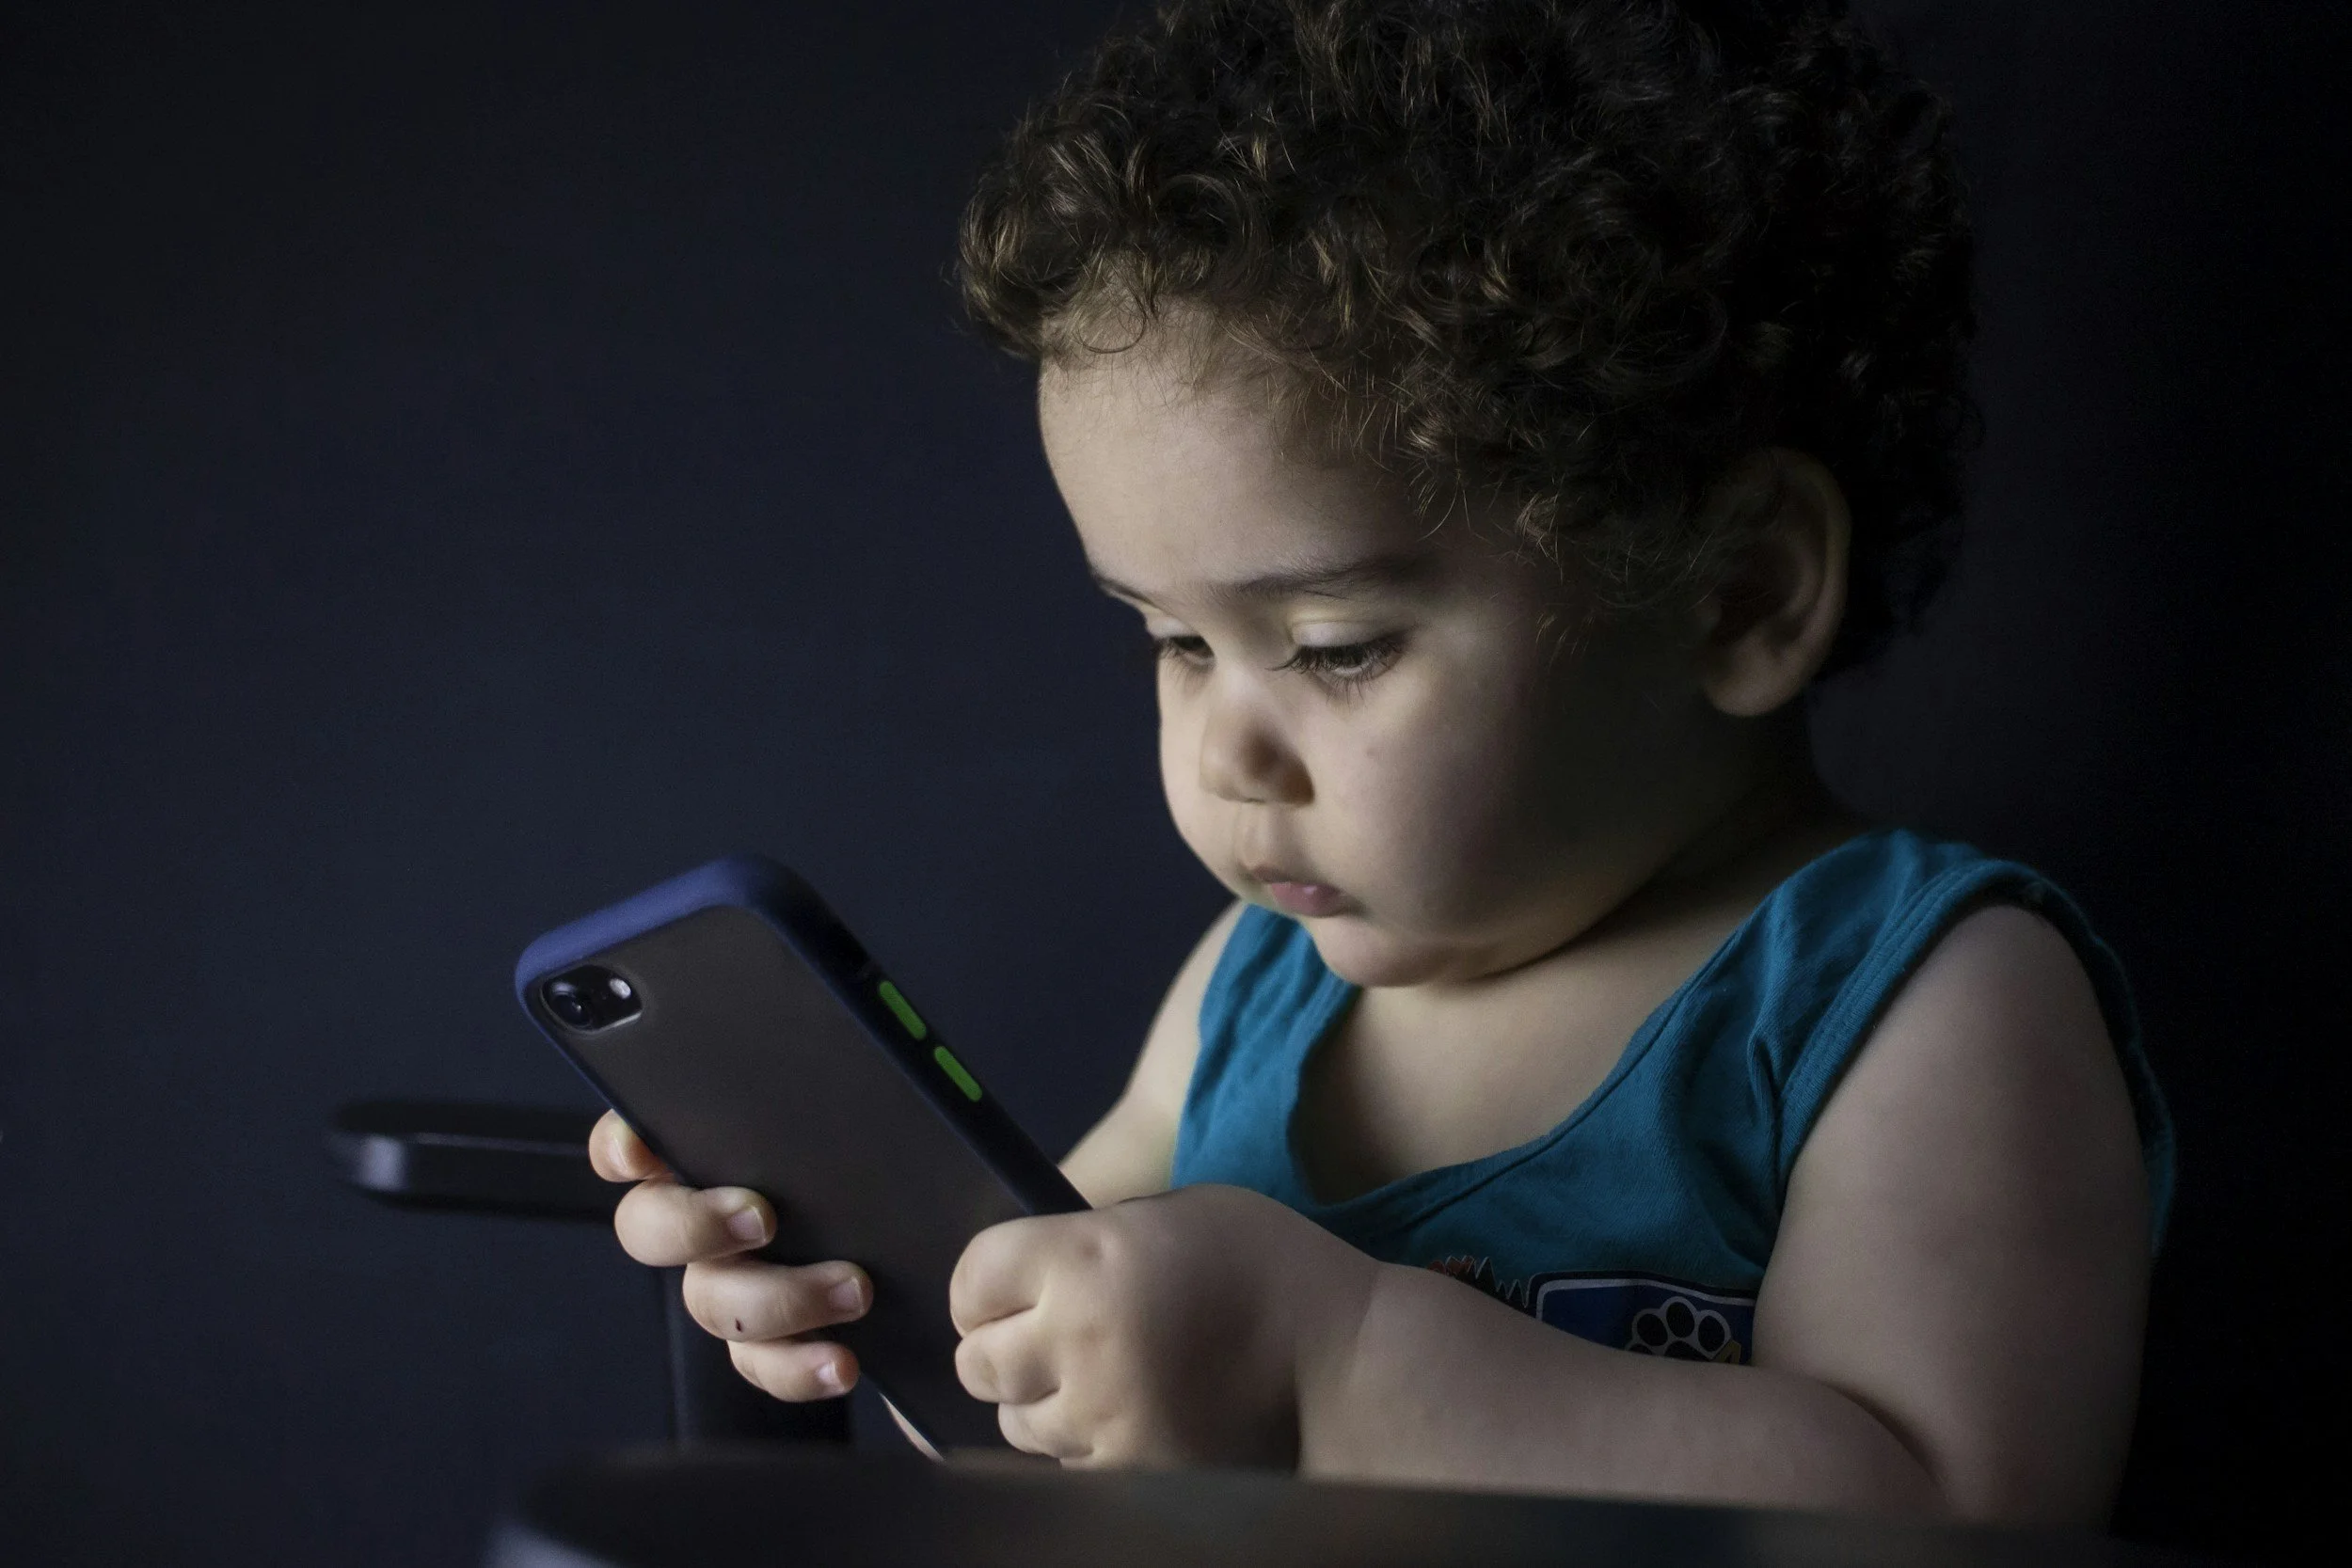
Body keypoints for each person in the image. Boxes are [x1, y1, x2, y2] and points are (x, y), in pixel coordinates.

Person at [589, 0, 2172, 1524]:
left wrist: (1335, 1368)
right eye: (1174, 641)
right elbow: (1046, 1411)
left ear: (1738, 591)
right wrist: (881, 1290)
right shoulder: (1249, 990)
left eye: (1337, 646)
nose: (1227, 752)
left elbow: (1951, 1517)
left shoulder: (1913, 1003)